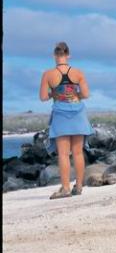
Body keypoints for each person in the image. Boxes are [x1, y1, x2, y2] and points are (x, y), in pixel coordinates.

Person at [39, 42, 94, 199]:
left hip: (60, 115)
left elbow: (43, 97)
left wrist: (53, 94)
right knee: (78, 153)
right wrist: (74, 93)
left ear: (54, 56)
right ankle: (79, 186)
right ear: (68, 55)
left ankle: (65, 188)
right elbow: (85, 94)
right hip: (78, 113)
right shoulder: (78, 73)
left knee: (63, 154)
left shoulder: (48, 74)